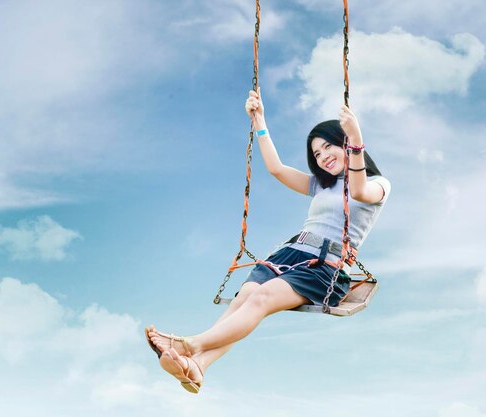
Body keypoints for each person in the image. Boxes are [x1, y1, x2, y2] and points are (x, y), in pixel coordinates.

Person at [146, 89, 391, 394]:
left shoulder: (377, 184)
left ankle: (189, 344)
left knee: (259, 301)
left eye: (329, 146)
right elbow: (276, 169)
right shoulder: (320, 185)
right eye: (316, 153)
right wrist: (259, 119)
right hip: (289, 253)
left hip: (325, 267)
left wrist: (355, 136)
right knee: (244, 299)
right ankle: (199, 366)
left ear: (346, 144)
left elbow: (358, 193)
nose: (324, 156)